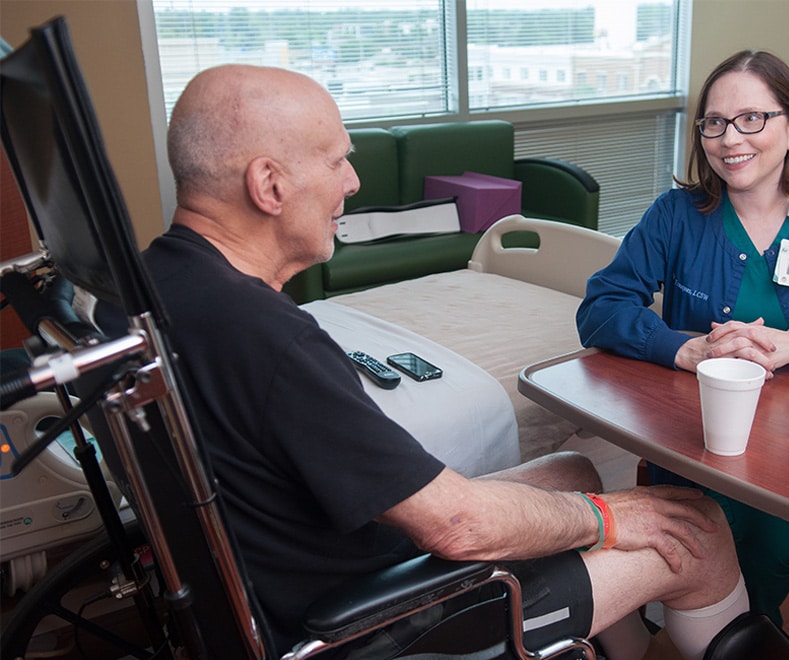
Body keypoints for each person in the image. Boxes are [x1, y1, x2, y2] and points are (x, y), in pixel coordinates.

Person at [146, 63, 750, 660]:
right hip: (369, 622)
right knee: (698, 530)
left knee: (575, 471)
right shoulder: (271, 340)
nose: (352, 183)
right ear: (269, 184)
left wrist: (595, 509)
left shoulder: (156, 283)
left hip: (299, 573)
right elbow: (456, 525)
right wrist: (609, 521)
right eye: (336, 161)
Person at [576, 50, 789, 660]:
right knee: (750, 553)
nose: (729, 138)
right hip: (711, 438)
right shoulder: (676, 216)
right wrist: (681, 347)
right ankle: (752, 643)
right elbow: (601, 307)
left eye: (751, 119)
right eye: (714, 122)